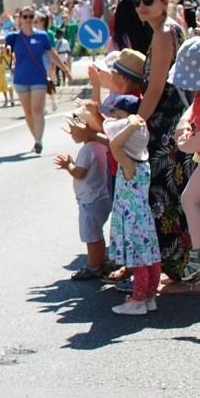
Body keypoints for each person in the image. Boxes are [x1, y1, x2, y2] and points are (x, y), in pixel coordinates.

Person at [133, 0, 195, 286]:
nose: (142, 6)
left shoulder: (163, 33)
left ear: (164, 0)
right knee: (178, 196)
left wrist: (135, 124)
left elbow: (156, 89)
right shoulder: (172, 28)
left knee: (164, 197)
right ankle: (184, 266)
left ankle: (178, 269)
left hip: (165, 124)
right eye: (138, 1)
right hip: (176, 121)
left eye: (148, 0)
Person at [100, 95, 161, 315]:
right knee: (151, 257)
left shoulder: (128, 164)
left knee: (139, 262)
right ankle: (149, 298)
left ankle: (137, 301)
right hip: (144, 217)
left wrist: (130, 125)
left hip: (133, 220)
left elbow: (114, 143)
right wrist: (133, 126)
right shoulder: (142, 162)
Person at [0, 9, 71, 153]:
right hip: (21, 79)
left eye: (31, 16)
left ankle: (38, 140)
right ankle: (36, 138)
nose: (29, 19)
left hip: (38, 77)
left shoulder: (42, 36)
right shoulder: (14, 36)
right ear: (20, 19)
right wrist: (0, 23)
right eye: (26, 16)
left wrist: (66, 70)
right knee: (28, 112)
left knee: (37, 109)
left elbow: (53, 54)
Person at [54, 115, 112, 280]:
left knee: (91, 235)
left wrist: (68, 166)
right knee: (97, 233)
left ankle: (94, 266)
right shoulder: (101, 145)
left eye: (73, 130)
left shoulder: (88, 149)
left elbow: (79, 173)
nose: (71, 133)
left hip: (90, 200)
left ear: (86, 131)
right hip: (102, 196)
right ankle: (101, 262)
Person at [171, 37, 200, 282]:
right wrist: (184, 122)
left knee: (190, 200)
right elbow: (191, 109)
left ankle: (199, 253)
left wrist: (184, 143)